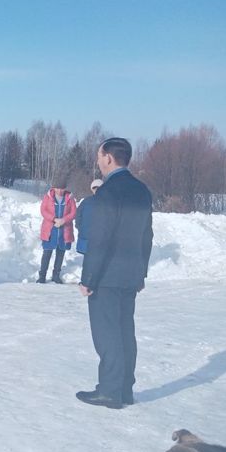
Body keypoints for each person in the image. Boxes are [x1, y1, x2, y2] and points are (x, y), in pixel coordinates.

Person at [77, 138, 153, 410]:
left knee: (107, 333)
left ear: (108, 157)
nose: (97, 160)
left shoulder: (108, 192)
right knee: (124, 331)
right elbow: (147, 236)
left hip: (107, 277)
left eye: (99, 155)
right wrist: (140, 273)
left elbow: (100, 239)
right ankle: (124, 390)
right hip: (129, 275)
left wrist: (88, 279)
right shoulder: (142, 191)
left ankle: (110, 390)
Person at [38, 178, 77, 284]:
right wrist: (54, 219)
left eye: (62, 188)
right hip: (50, 230)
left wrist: (64, 220)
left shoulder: (70, 198)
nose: (60, 191)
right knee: (47, 253)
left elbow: (73, 212)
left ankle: (56, 275)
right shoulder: (48, 197)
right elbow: (43, 211)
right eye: (58, 188)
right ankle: (42, 275)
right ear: (54, 188)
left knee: (60, 253)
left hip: (64, 231)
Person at [76, 179, 103, 255]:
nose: (97, 190)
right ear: (92, 189)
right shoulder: (86, 201)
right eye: (95, 188)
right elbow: (78, 215)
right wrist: (80, 227)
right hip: (85, 238)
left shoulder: (108, 202)